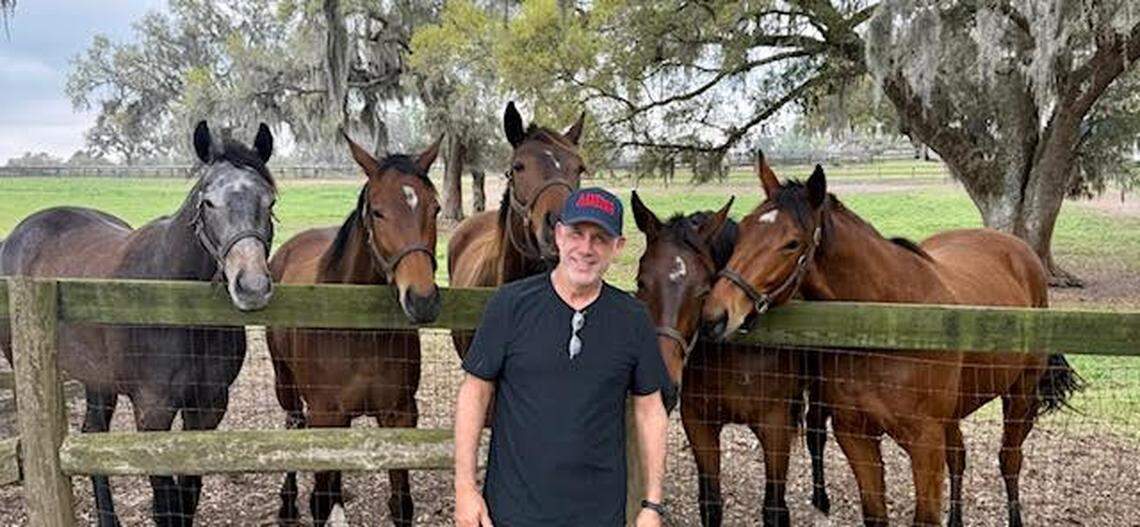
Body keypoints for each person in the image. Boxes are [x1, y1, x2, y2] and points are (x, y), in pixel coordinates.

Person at [454, 187, 671, 527]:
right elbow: (474, 392)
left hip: (598, 513)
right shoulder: (511, 305)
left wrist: (652, 505)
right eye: (576, 234)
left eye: (600, 238)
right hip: (512, 511)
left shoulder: (632, 319)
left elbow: (650, 410)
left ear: (618, 247)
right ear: (557, 235)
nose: (585, 248)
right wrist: (465, 488)